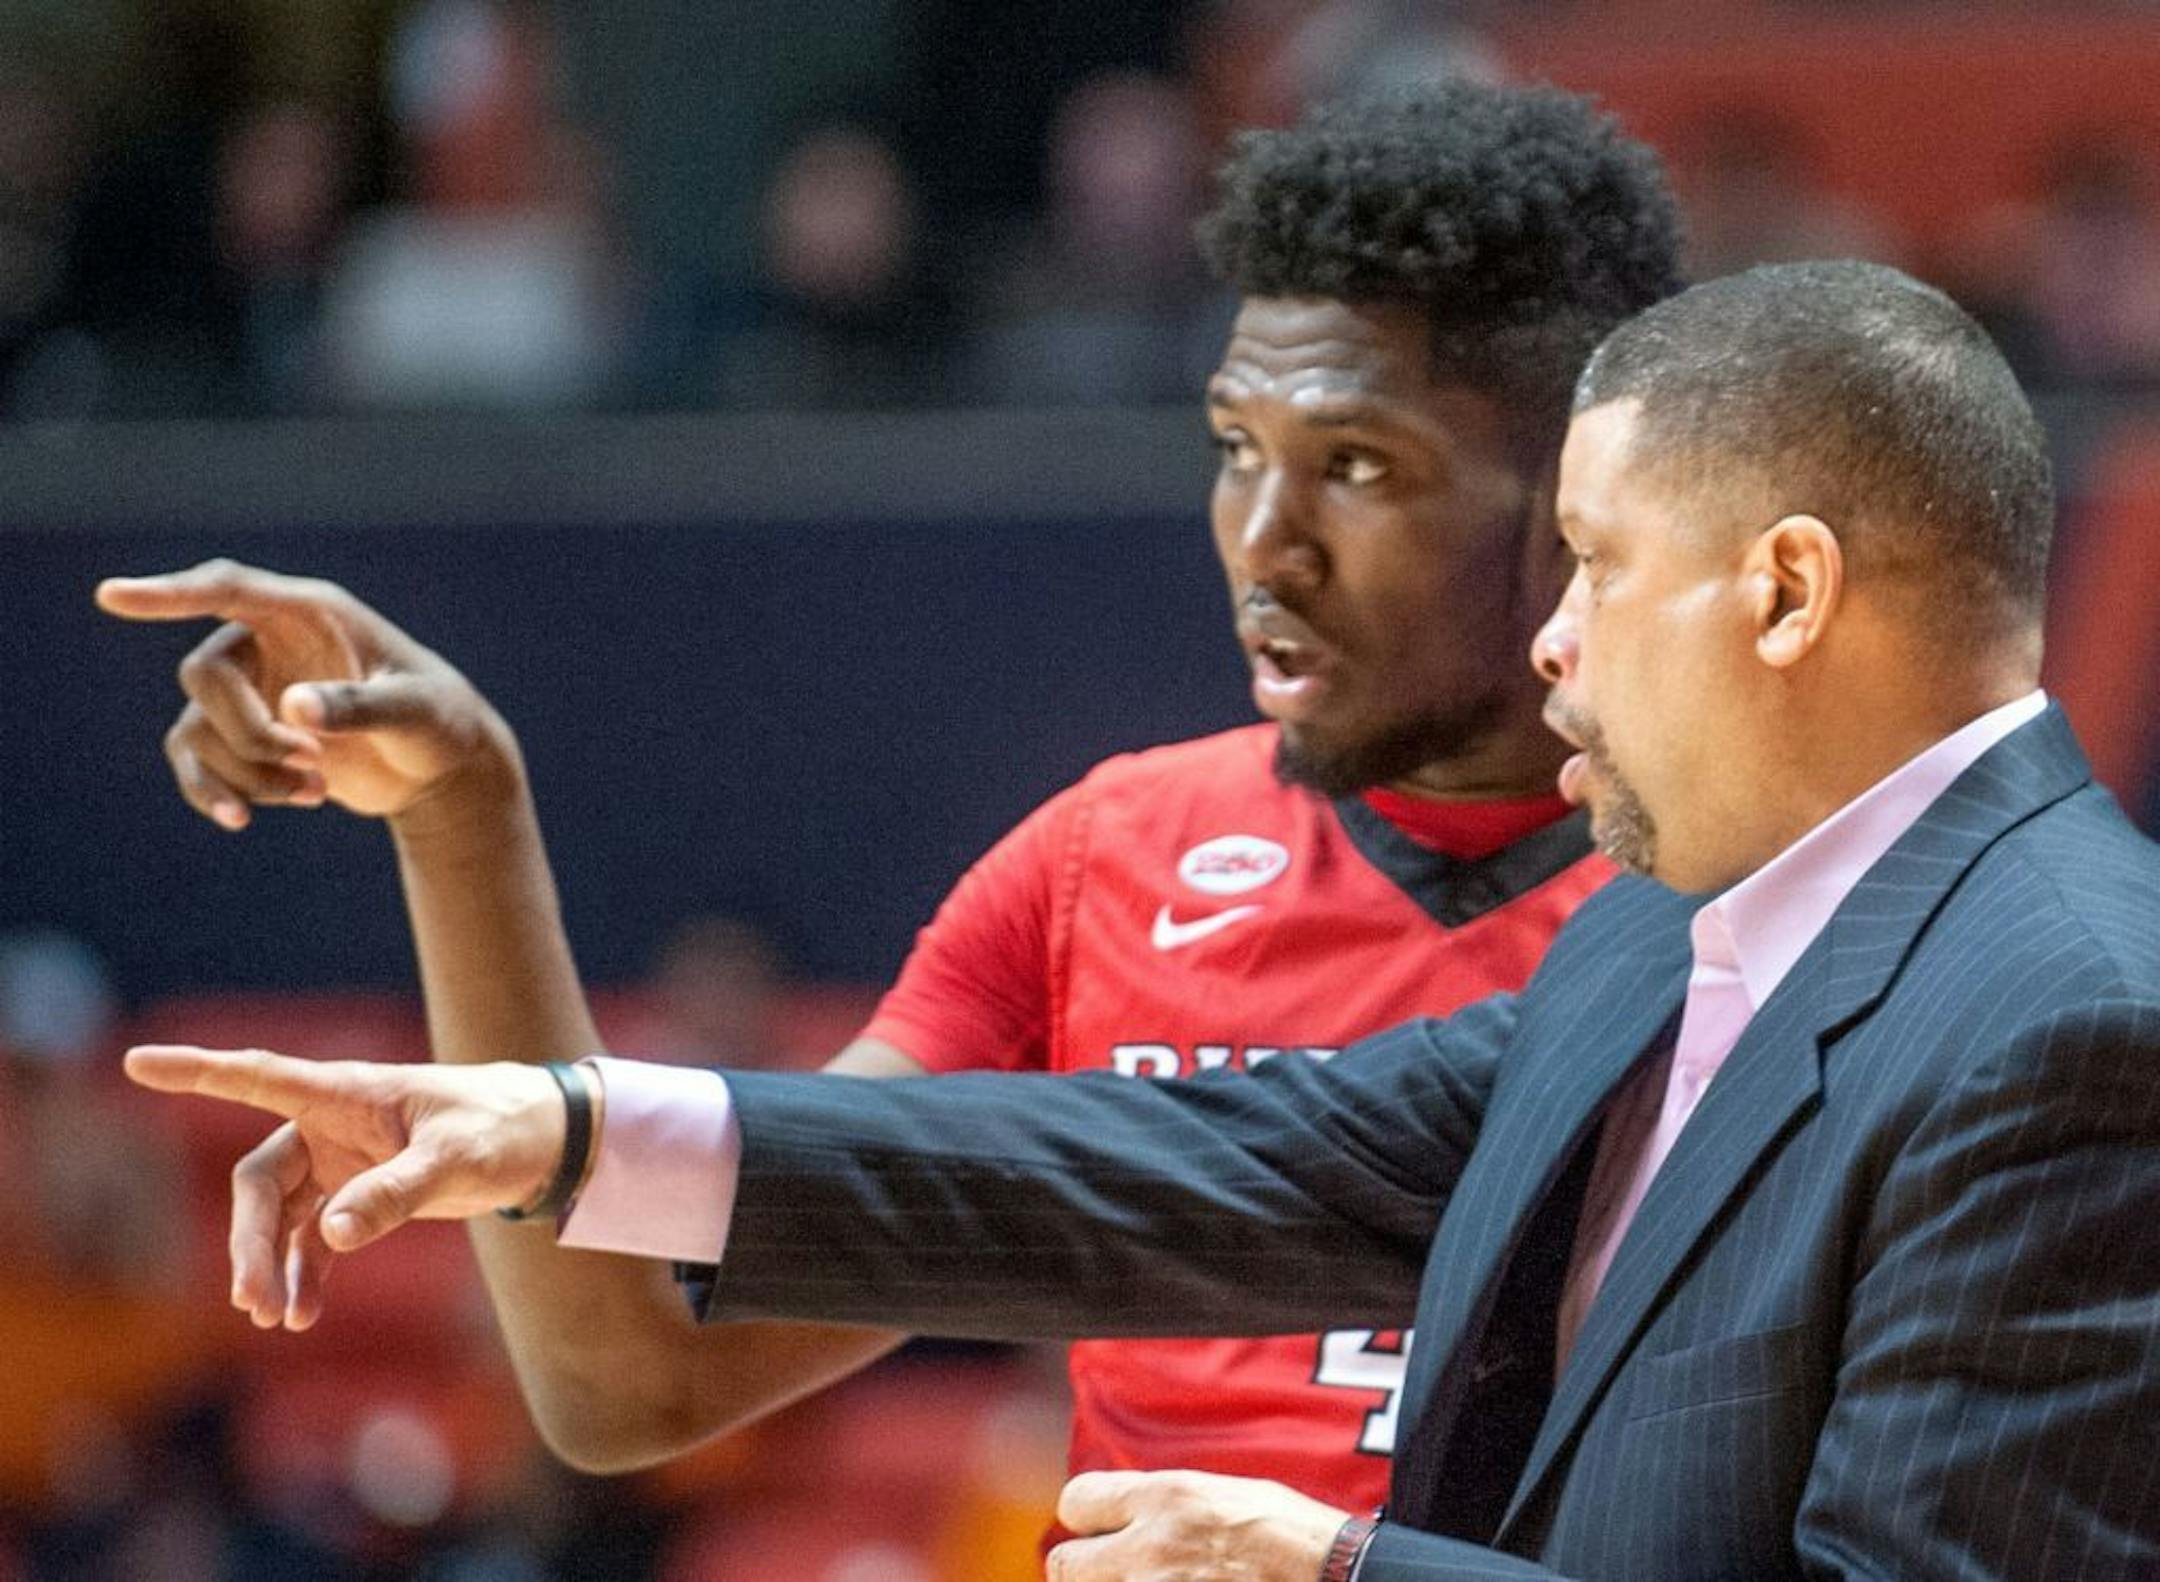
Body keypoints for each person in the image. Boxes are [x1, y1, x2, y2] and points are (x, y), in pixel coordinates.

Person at [128, 260, 2160, 1580]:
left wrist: (1337, 1569)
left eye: (1600, 565)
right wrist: (575, 1123)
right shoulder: (1659, 932)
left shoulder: (2082, 1016)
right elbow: (1215, 1148)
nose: (1553, 637)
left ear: (1788, 594)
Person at [97, 79, 1685, 1521]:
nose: (1262, 539)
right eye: (1233, 446)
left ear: (1575, 498)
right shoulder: (1106, 858)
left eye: (1357, 466)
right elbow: (635, 1375)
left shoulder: (1759, 902)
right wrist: (461, 812)